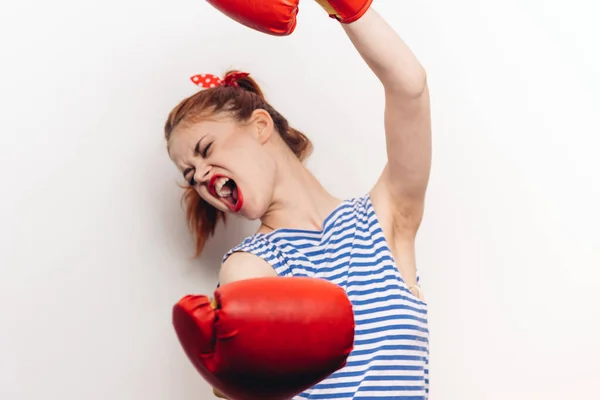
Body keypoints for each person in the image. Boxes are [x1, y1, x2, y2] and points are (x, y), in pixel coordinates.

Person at [165, 1, 432, 399]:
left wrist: (347, 7)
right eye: (190, 174)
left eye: (205, 149)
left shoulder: (386, 217)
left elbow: (410, 88)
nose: (201, 177)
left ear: (259, 126)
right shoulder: (251, 265)